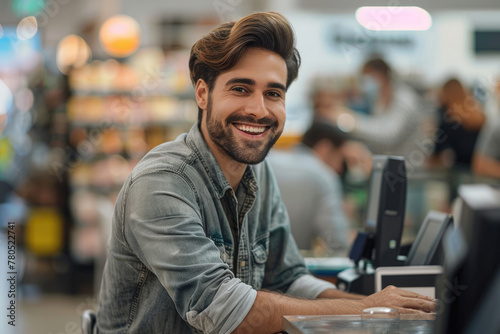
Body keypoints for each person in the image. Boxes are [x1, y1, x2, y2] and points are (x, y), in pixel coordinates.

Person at [96, 12, 436, 334]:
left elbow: (288, 278)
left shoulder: (256, 172)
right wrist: (365, 310)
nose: (259, 110)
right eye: (240, 89)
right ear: (203, 93)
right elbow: (222, 309)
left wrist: (379, 306)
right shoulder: (162, 182)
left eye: (273, 93)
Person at [267, 121, 352, 256]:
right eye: (340, 159)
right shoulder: (323, 175)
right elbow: (337, 243)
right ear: (325, 149)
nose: (340, 169)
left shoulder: (265, 160)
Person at [329, 58, 426, 161]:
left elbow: (389, 137)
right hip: (387, 166)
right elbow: (377, 127)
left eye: (367, 77)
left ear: (380, 75)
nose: (364, 83)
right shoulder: (378, 99)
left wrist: (349, 121)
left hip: (408, 170)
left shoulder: (405, 100)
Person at [429, 78, 485, 170]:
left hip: (460, 173)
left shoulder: (449, 121)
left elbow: (435, 156)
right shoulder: (480, 116)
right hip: (480, 174)